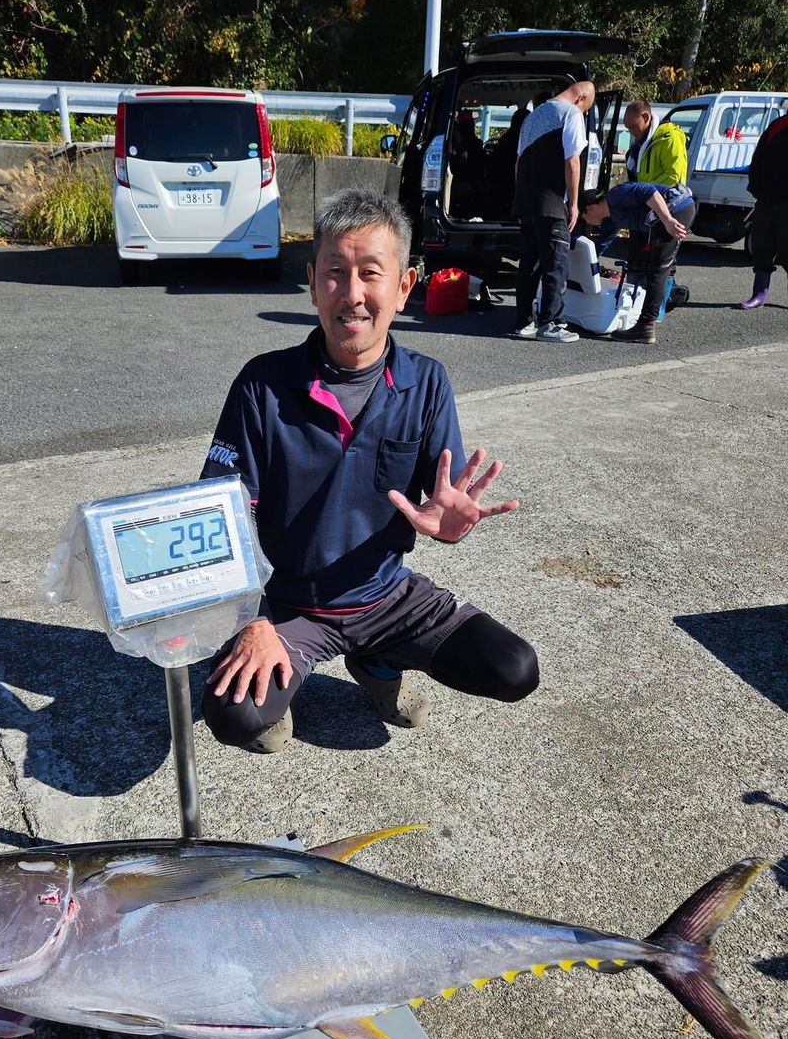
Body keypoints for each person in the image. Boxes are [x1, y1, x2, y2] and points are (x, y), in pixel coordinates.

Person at [199, 188, 539, 753]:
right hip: (289, 606)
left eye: (371, 274)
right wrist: (249, 621)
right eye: (335, 272)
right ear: (312, 282)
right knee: (236, 717)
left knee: (514, 669)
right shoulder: (262, 384)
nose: (352, 295)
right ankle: (287, 666)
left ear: (403, 287)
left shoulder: (427, 381)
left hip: (387, 595)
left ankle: (377, 656)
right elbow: (220, 519)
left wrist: (448, 518)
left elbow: (440, 494)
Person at [511, 80, 595, 344]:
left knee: (529, 265)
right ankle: (551, 323)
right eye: (586, 109)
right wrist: (573, 202)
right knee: (556, 264)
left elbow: (518, 162)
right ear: (581, 99)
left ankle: (524, 321)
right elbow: (572, 161)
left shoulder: (533, 117)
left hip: (527, 202)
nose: (583, 113)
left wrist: (523, 194)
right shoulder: (570, 114)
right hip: (552, 201)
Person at [580, 180, 695, 344]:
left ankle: (646, 326)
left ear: (590, 208)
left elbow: (650, 193)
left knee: (658, 268)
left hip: (676, 209)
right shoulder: (612, 218)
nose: (588, 223)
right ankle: (643, 319)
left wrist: (668, 220)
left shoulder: (616, 195)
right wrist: (584, 263)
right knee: (647, 266)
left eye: (585, 217)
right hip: (663, 218)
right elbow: (600, 245)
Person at [623, 98, 690, 312]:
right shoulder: (639, 143)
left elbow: (674, 176)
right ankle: (637, 305)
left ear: (646, 117)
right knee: (638, 257)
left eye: (633, 126)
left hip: (665, 206)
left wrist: (644, 192)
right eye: (627, 128)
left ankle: (663, 302)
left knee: (659, 261)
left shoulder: (669, 137)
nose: (631, 131)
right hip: (645, 207)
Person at [739, 109, 788, 310]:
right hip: (767, 197)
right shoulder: (777, 125)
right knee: (762, 245)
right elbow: (757, 157)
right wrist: (756, 186)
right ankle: (759, 293)